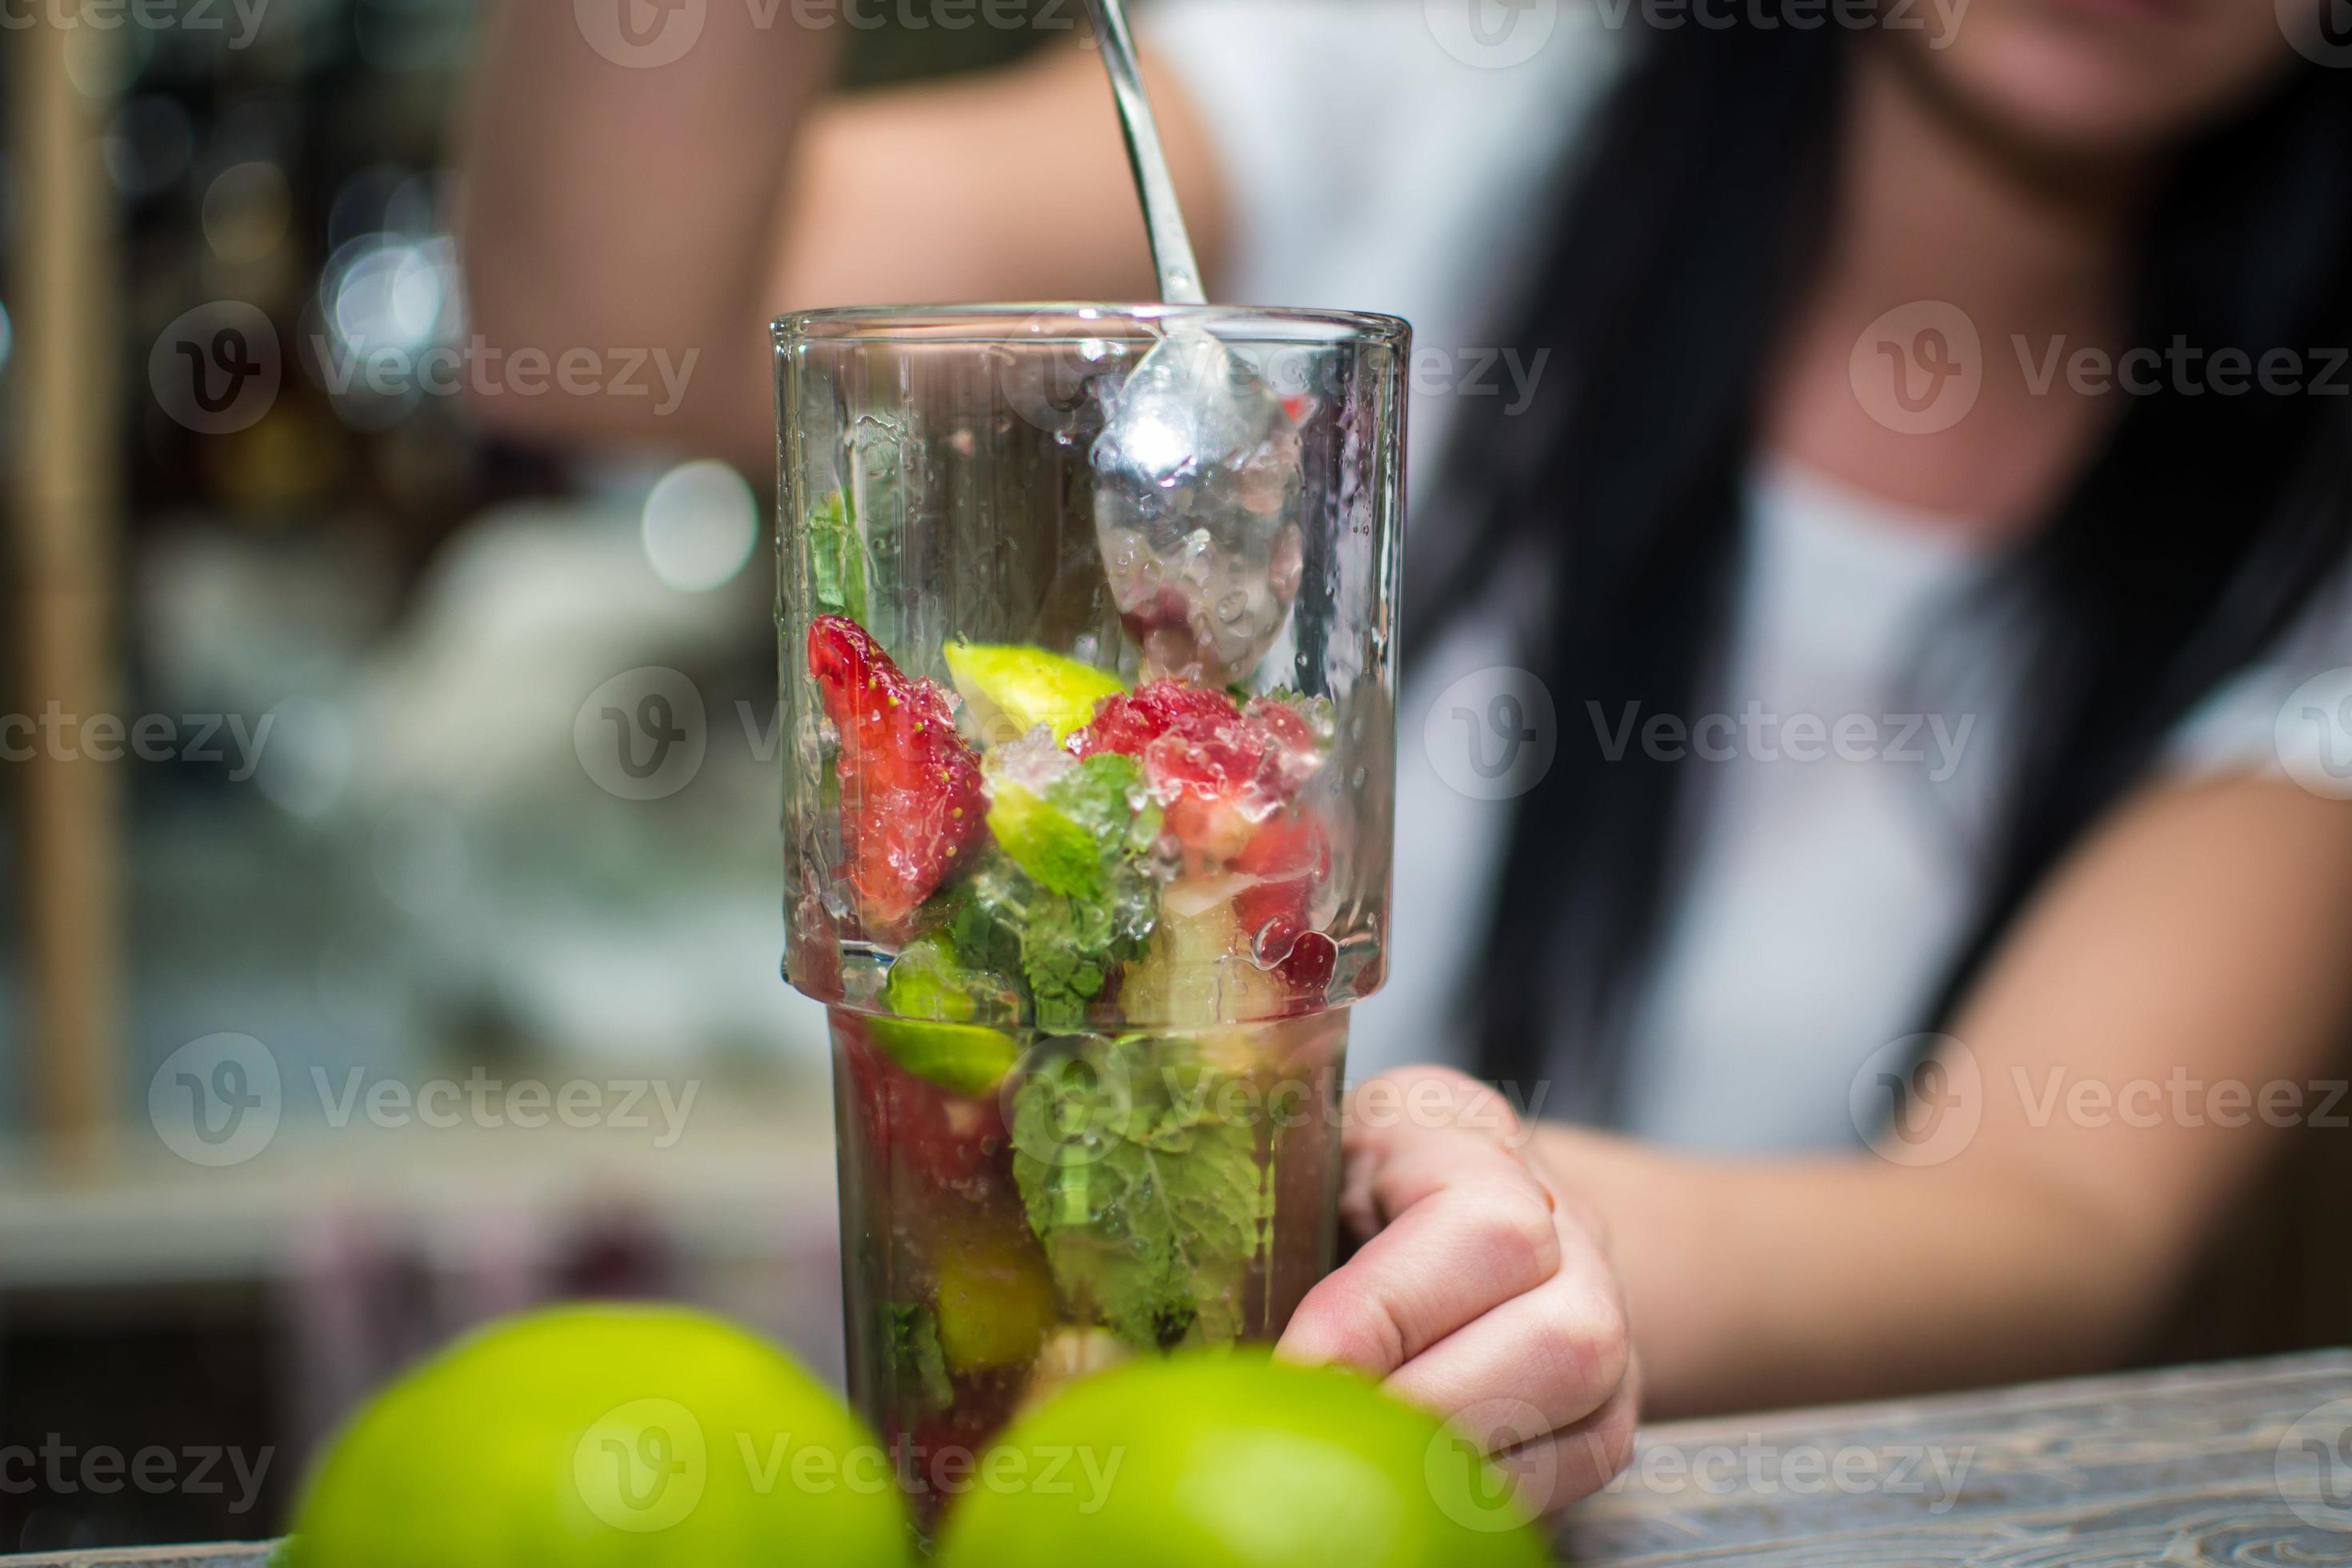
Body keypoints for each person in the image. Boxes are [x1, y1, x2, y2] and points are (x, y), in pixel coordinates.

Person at [456, 0, 2352, 1510]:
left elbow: (2050, 1208)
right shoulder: (1456, 78)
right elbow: (600, 328)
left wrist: (1520, 1249)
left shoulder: (2305, 536)